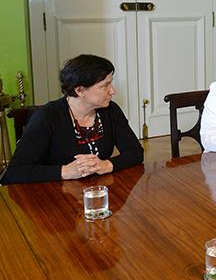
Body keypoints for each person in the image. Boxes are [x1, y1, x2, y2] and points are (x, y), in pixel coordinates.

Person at [4, 54, 143, 183]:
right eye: (105, 85)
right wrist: (66, 171)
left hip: (97, 191)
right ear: (79, 91)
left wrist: (106, 165)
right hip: (52, 194)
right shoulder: (47, 117)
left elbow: (135, 152)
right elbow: (15, 171)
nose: (113, 91)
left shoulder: (110, 110)